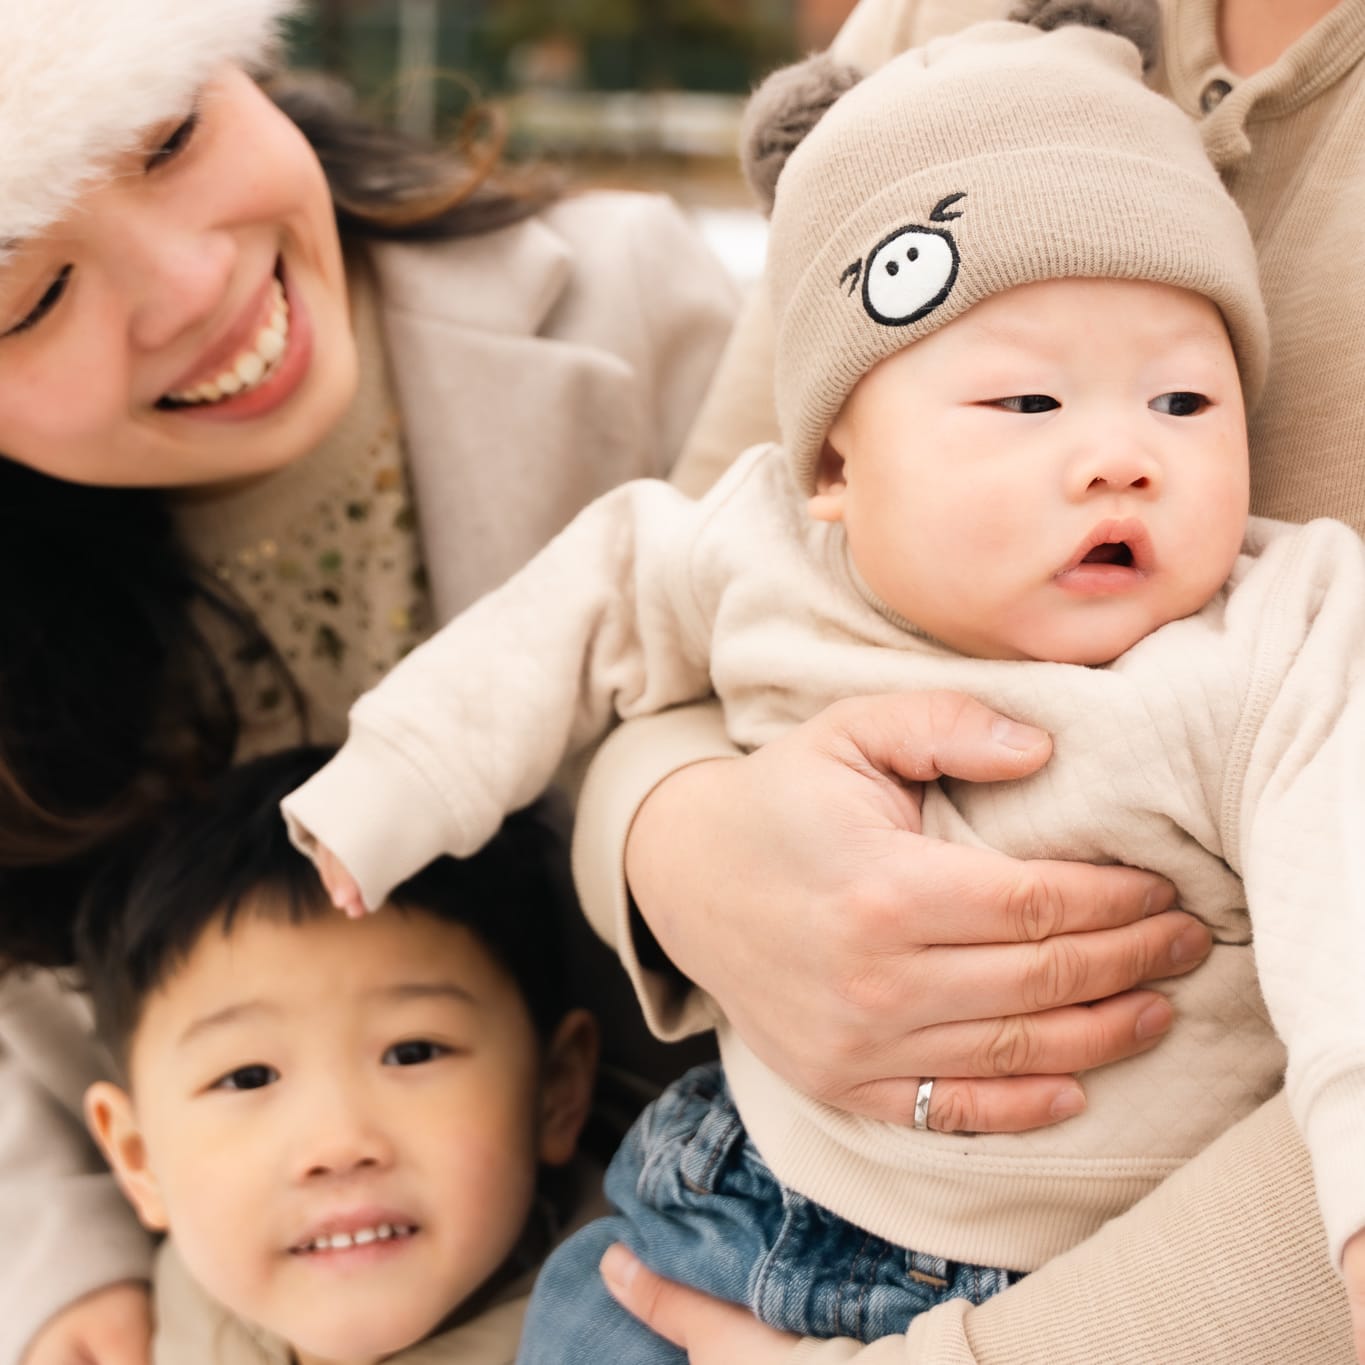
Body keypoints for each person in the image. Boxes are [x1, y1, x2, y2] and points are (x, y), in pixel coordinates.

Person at [277, 8, 1365, 1360]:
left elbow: (1347, 913)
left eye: (1186, 406)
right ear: (838, 467)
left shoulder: (1283, 632)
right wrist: (407, 785)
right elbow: (581, 612)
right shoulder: (766, 539)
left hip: (1092, 1273)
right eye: (1028, 407)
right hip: (729, 1202)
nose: (1119, 457)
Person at [0, 1, 741, 1361]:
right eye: (30, 296)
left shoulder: (637, 309)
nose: (189, 283)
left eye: (172, 137)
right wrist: (57, 1257)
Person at [74, 746, 599, 1365]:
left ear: (555, 1092)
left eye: (411, 1053)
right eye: (247, 1078)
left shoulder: (648, 1324)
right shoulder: (156, 1318)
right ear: (140, 1159)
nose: (338, 1144)